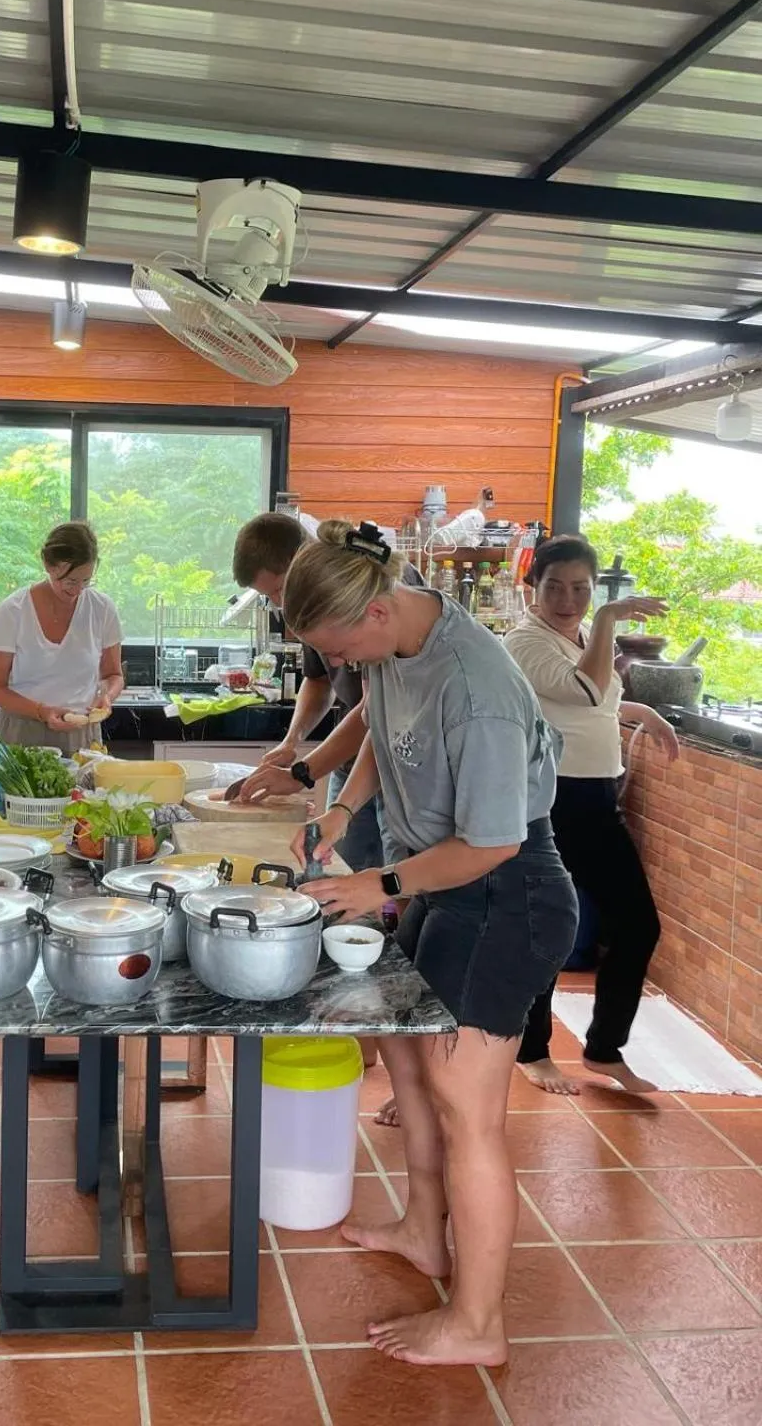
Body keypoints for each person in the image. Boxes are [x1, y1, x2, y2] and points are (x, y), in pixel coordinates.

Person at [283, 520, 577, 1368]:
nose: (336, 664)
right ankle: (422, 1228)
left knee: (471, 1114)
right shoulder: (393, 641)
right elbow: (379, 725)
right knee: (409, 1061)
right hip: (439, 882)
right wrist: (340, 807)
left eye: (338, 646)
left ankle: (479, 1324)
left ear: (375, 612)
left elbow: (492, 844)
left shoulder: (474, 684)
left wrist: (376, 885)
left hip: (503, 895)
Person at [504, 534, 677, 1097]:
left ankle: (604, 1049)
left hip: (597, 800)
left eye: (581, 588)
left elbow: (598, 698)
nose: (568, 598)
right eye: (555, 586)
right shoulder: (524, 641)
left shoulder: (579, 636)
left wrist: (643, 710)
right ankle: (531, 1051)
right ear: (534, 588)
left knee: (638, 924)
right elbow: (581, 688)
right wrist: (606, 620)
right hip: (555, 799)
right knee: (549, 928)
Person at [230, 512, 422, 870]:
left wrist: (302, 773)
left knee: (393, 881)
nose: (279, 605)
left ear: (303, 561)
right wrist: (292, 741)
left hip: (399, 767)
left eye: (276, 590)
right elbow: (319, 680)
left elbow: (373, 712)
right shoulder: (310, 603)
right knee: (336, 868)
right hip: (351, 761)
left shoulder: (365, 585)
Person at [0, 521, 124, 755]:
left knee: (83, 793)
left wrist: (106, 696)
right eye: (69, 581)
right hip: (20, 732)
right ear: (48, 565)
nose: (77, 590)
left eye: (86, 581)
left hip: (81, 734)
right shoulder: (14, 611)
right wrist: (42, 711)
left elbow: (113, 674)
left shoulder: (102, 609)